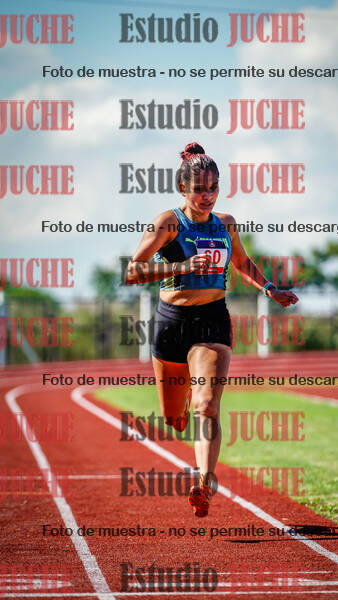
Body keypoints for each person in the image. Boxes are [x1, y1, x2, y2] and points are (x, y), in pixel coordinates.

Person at [125, 142, 298, 517]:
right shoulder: (168, 223)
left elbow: (242, 263)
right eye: (200, 189)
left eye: (213, 188)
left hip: (212, 321)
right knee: (174, 419)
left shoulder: (226, 224)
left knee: (207, 406)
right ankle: (183, 403)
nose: (207, 196)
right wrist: (181, 268)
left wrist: (269, 289)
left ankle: (204, 482)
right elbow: (133, 271)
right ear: (183, 189)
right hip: (171, 323)